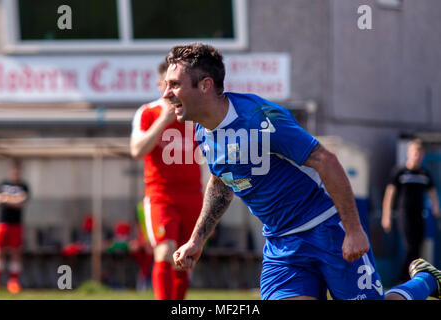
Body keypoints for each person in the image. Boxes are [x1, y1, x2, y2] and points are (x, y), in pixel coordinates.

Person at [166, 42, 441, 300]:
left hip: (327, 229)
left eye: (174, 85)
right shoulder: (203, 131)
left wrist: (353, 229)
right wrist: (197, 239)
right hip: (281, 244)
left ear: (205, 85)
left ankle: (425, 281)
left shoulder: (260, 118)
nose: (166, 93)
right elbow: (221, 182)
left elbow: (326, 160)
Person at [130, 61, 203, 300]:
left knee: (184, 258)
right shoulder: (148, 112)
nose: (171, 91)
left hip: (193, 195)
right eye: (167, 84)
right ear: (159, 84)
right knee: (164, 250)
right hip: (161, 195)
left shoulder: (196, 115)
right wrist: (163, 119)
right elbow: (137, 149)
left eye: (177, 85)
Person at [382, 138, 440, 282]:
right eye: (415, 152)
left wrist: (436, 208)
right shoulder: (400, 172)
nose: (417, 155)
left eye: (420, 153)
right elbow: (389, 194)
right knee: (411, 246)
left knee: (418, 247)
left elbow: (432, 193)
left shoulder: (424, 174)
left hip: (419, 214)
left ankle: (413, 279)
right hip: (404, 214)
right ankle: (403, 280)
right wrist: (386, 216)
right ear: (409, 153)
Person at [0, 159, 30, 294]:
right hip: (1, 224)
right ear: (10, 171)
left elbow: (21, 202)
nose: (15, 172)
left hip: (16, 225)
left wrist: (5, 199)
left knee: (15, 252)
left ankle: (13, 282)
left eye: (18, 170)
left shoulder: (24, 186)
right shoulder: (2, 184)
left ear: (20, 172)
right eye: (13, 170)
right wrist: (12, 199)